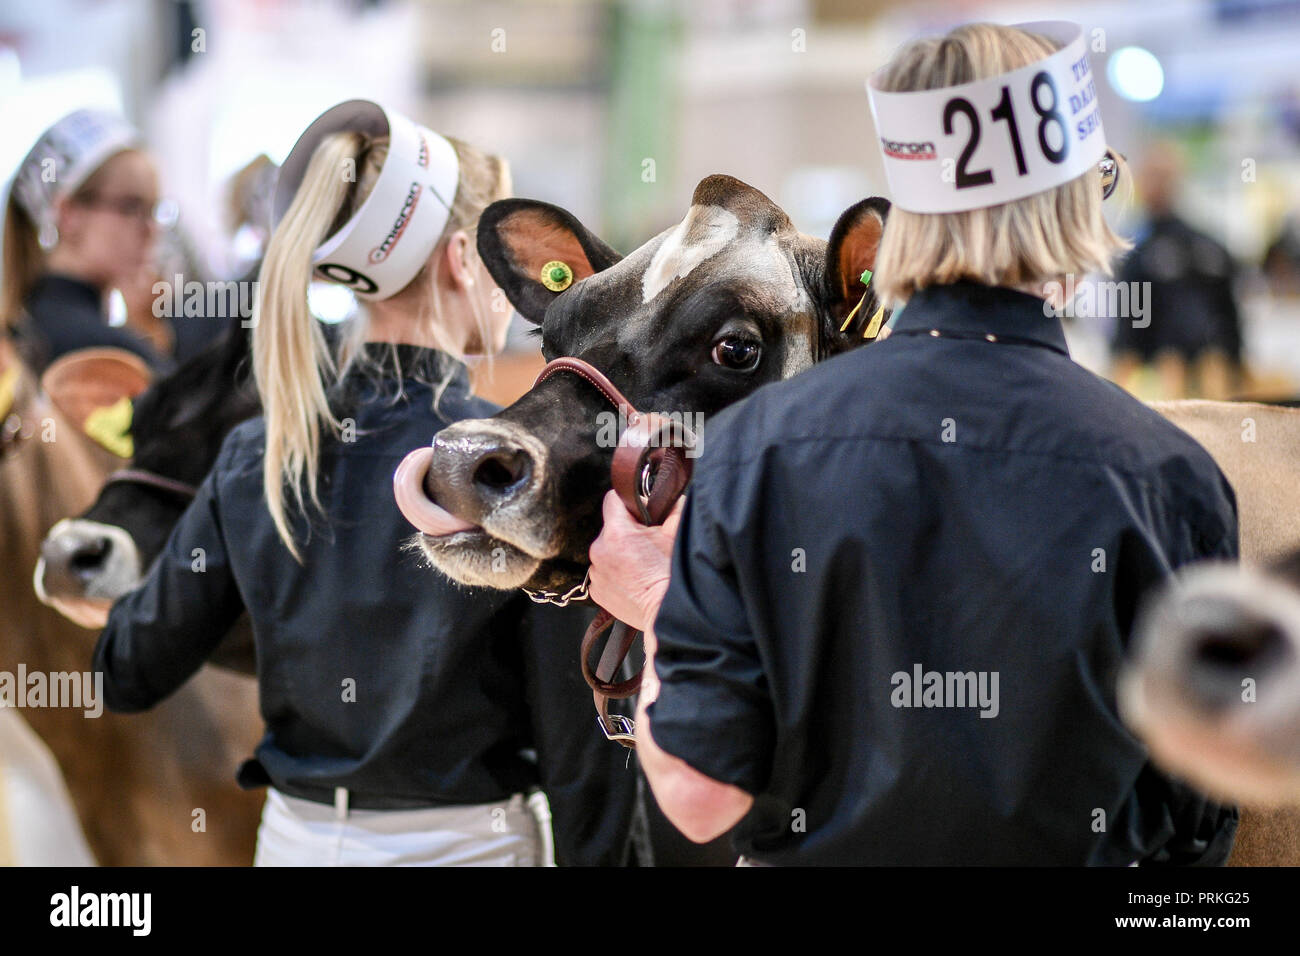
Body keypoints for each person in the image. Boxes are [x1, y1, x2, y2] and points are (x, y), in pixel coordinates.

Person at [588, 22, 1240, 865]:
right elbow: (1194, 826)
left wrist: (659, 605)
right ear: (1076, 204)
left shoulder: (758, 451)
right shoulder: (1169, 476)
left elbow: (701, 796)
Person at [93, 100, 635, 866]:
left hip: (293, 843)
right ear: (459, 260)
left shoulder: (256, 455)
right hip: (468, 849)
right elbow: (581, 753)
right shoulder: (518, 465)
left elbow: (127, 671)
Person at [2, 109, 171, 374]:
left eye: (154, 210)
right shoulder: (103, 350)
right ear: (68, 213)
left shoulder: (26, 327)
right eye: (131, 207)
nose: (152, 229)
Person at [1110, 142, 1244, 399]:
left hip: (1206, 372)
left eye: (1162, 176)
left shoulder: (1207, 248)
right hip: (1159, 378)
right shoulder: (1138, 254)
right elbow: (1127, 331)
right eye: (1151, 176)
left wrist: (1234, 363)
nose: (1156, 184)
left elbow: (1231, 317)